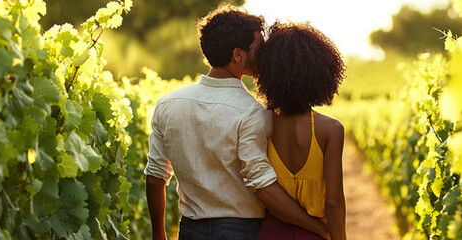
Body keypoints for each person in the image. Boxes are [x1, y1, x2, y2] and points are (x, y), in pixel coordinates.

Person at [144, 5, 330, 240]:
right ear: (238, 55)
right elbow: (263, 188)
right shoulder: (252, 113)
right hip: (241, 232)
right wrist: (318, 227)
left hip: (189, 231)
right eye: (258, 49)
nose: (263, 55)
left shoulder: (168, 104)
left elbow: (155, 177)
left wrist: (159, 235)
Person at [253, 22, 347, 240]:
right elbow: (334, 202)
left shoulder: (261, 123)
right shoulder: (331, 130)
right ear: (321, 73)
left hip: (270, 232)